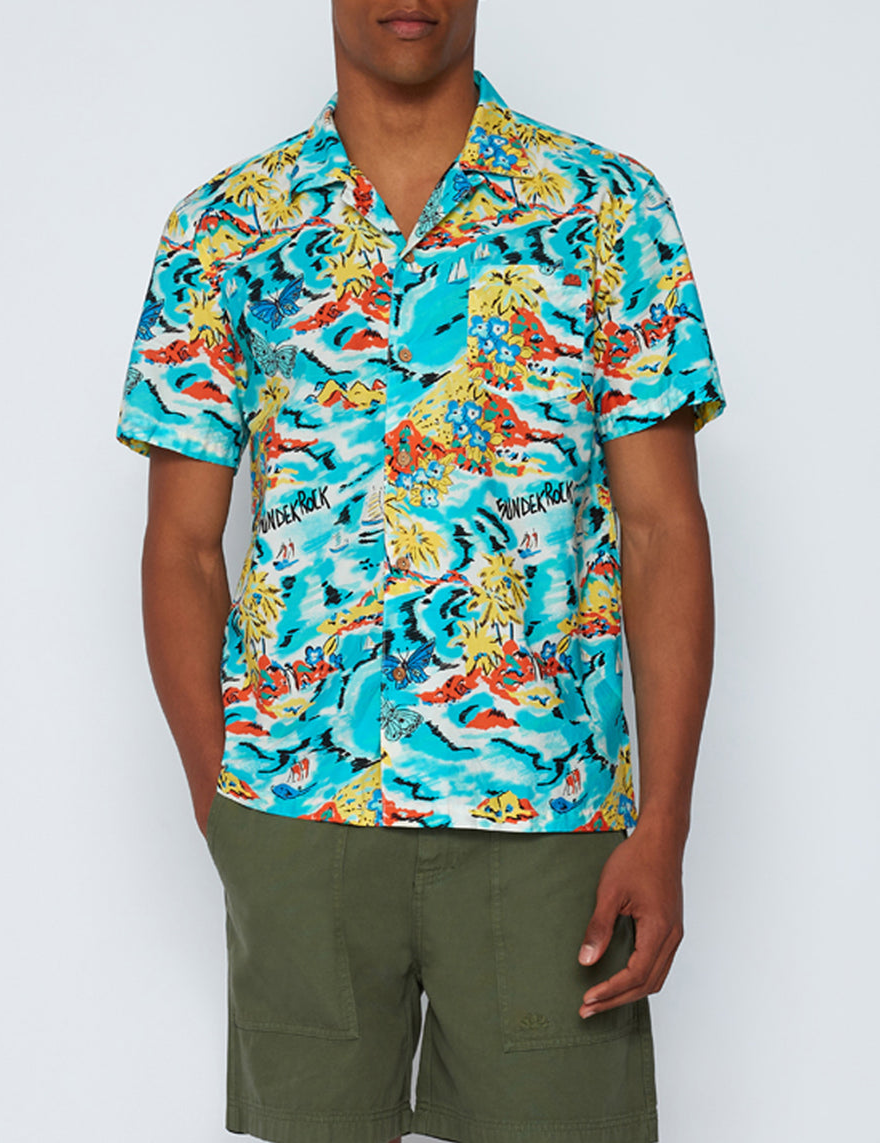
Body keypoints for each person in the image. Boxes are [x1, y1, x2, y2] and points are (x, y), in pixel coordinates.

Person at [116, 2, 725, 1140]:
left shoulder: (605, 209)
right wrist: (226, 805)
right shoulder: (224, 229)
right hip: (300, 815)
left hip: (548, 819)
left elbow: (662, 531)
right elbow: (181, 547)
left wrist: (664, 828)